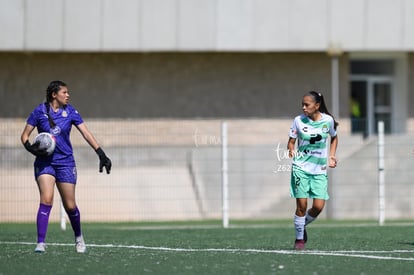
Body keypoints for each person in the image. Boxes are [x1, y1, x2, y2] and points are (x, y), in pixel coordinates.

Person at [20, 80, 112, 253]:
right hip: (45, 163)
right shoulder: (39, 111)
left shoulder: (70, 112)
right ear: (54, 95)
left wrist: (101, 153)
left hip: (65, 163)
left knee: (70, 206)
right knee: (46, 199)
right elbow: (24, 136)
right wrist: (32, 149)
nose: (68, 95)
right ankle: (40, 243)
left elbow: (85, 132)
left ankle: (79, 238)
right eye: (64, 92)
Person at [287, 91, 338, 250]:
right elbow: (291, 141)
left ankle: (302, 225)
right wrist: (291, 150)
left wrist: (331, 156)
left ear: (317, 106)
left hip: (319, 170)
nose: (303, 107)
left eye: (306, 104)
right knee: (301, 206)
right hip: (300, 168)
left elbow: (334, 137)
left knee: (318, 207)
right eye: (302, 104)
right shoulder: (298, 121)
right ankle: (299, 239)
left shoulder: (328, 121)